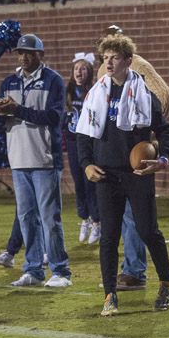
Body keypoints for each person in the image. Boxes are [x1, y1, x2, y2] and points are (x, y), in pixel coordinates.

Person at [75, 33, 169, 316]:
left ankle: (166, 282)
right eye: (105, 58)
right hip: (106, 173)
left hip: (137, 172)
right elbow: (83, 133)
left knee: (147, 231)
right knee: (109, 236)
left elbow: (165, 129)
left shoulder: (143, 92)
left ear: (127, 61)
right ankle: (110, 295)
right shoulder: (96, 92)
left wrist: (163, 158)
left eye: (114, 58)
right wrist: (86, 164)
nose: (108, 63)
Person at [0, 33, 71, 288]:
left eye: (28, 52)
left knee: (50, 218)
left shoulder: (53, 80)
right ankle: (34, 270)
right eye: (20, 53)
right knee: (26, 218)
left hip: (45, 159)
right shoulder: (9, 82)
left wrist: (18, 111)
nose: (23, 57)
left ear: (40, 54)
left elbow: (54, 117)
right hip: (18, 159)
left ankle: (60, 271)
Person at [66, 53, 100, 245]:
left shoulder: (94, 90)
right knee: (78, 183)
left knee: (90, 183)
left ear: (89, 72)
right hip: (72, 142)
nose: (80, 72)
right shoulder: (68, 91)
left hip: (88, 141)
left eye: (84, 69)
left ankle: (97, 222)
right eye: (77, 69)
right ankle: (84, 220)